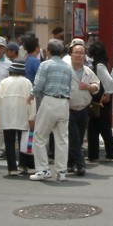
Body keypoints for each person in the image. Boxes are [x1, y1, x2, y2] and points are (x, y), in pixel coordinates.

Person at [29, 39, 71, 181]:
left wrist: (31, 95)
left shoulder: (45, 65)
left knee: (40, 136)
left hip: (49, 101)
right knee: (62, 139)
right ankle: (61, 172)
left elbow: (38, 84)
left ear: (49, 51)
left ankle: (43, 169)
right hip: (64, 102)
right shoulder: (67, 67)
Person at [0, 60, 36, 175]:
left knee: (9, 142)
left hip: (7, 115)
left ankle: (11, 168)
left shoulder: (4, 82)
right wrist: (32, 117)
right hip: (23, 115)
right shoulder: (27, 82)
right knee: (23, 141)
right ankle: (23, 165)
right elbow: (32, 100)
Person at [66, 40, 100, 176]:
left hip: (84, 108)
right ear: (71, 54)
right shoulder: (65, 69)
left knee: (79, 138)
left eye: (81, 53)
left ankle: (70, 163)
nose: (79, 55)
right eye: (76, 53)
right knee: (74, 137)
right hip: (68, 108)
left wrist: (90, 87)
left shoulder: (88, 71)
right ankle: (80, 165)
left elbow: (97, 86)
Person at [86, 41, 113, 162]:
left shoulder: (99, 66)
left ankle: (107, 153)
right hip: (103, 98)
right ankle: (96, 154)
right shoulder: (103, 63)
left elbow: (109, 81)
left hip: (101, 99)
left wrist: (108, 93)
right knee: (95, 126)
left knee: (101, 125)